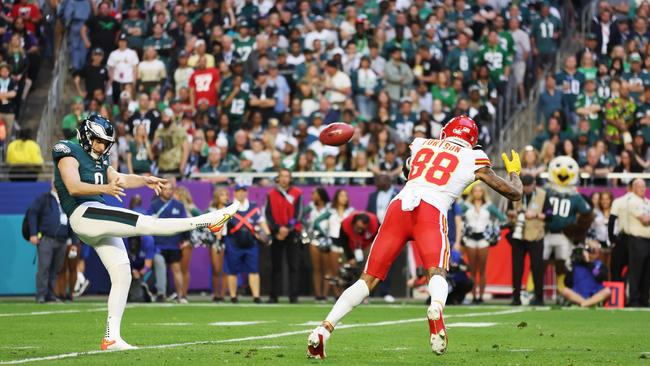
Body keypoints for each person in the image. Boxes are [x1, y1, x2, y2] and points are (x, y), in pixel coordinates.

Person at [307, 115, 523, 358]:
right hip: (430, 210)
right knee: (437, 272)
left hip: (399, 207)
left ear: (446, 131)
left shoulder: (423, 144)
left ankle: (323, 331)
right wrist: (515, 173)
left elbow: (406, 169)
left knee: (366, 280)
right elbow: (513, 194)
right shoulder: (474, 157)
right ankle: (436, 308)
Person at [52, 114, 238, 350]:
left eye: (105, 142)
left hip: (95, 216)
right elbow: (73, 186)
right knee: (147, 223)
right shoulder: (67, 150)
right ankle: (207, 221)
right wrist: (105, 189)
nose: (101, 146)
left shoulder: (100, 157)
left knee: (122, 274)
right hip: (83, 213)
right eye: (98, 141)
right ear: (87, 135)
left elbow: (118, 178)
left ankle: (112, 337)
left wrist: (144, 180)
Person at [27, 182, 76, 303]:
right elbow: (32, 213)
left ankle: (49, 294)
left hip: (63, 240)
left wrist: (74, 242)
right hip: (46, 239)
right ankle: (41, 295)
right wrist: (33, 233)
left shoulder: (67, 201)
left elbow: (73, 221)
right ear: (52, 184)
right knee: (44, 268)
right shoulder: (44, 198)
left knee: (56, 269)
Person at [224, 184, 271, 303]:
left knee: (254, 270)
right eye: (238, 191)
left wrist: (268, 234)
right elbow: (221, 225)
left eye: (243, 191)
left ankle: (256, 296)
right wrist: (220, 238)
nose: (241, 193)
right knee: (232, 270)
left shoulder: (254, 207)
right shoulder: (228, 207)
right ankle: (233, 296)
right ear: (234, 193)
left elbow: (261, 221)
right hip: (233, 242)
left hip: (251, 242)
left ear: (246, 193)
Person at [461, 183, 507, 304]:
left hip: (483, 240)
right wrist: (463, 228)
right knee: (472, 269)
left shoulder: (489, 206)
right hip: (470, 239)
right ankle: (473, 296)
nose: (477, 193)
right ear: (472, 193)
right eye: (475, 191)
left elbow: (502, 218)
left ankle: (480, 296)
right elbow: (457, 216)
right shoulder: (466, 205)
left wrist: (493, 228)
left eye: (480, 191)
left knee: (482, 270)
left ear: (483, 193)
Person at [507, 175, 547, 306]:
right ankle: (516, 297)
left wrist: (535, 215)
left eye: (529, 187)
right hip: (518, 235)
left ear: (534, 184)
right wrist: (516, 212)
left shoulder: (543, 195)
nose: (527, 189)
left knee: (537, 268)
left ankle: (539, 298)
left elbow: (550, 214)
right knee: (516, 269)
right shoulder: (514, 193)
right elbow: (508, 211)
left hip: (536, 236)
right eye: (525, 187)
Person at [149, 177, 190, 304]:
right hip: (158, 244)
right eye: (165, 189)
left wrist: (186, 239)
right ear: (160, 190)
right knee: (160, 267)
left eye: (170, 189)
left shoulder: (179, 205)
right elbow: (147, 223)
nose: (168, 191)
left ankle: (181, 296)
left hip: (173, 243)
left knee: (176, 269)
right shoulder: (154, 205)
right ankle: (161, 293)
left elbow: (185, 223)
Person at [265, 168, 303, 304]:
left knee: (293, 266)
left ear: (290, 178)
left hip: (292, 232)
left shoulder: (297, 193)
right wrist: (277, 228)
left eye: (287, 176)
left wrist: (287, 228)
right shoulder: (271, 194)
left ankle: (293, 297)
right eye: (282, 176)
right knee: (275, 266)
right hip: (276, 233)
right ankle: (273, 296)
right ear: (278, 178)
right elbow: (267, 214)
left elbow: (298, 213)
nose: (285, 179)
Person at [366, 173, 398, 303]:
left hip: (391, 231)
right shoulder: (373, 196)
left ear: (388, 180)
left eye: (380, 179)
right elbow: (368, 213)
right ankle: (370, 292)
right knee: (372, 261)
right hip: (374, 231)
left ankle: (386, 291)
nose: (377, 182)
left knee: (387, 262)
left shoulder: (397, 194)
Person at [561, 240, 612, 307]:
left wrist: (589, 263)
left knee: (607, 291)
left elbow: (600, 277)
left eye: (595, 250)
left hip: (594, 294)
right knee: (565, 291)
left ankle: (584, 304)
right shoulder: (576, 264)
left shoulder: (599, 265)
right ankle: (587, 303)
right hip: (578, 295)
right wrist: (569, 270)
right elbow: (567, 283)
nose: (591, 252)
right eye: (590, 249)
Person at [174, 186, 202, 303]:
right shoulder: (174, 208)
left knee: (184, 268)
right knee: (176, 268)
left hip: (187, 241)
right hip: (175, 240)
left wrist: (192, 240)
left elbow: (202, 222)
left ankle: (184, 294)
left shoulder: (192, 209)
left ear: (181, 195)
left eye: (175, 194)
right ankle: (179, 293)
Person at [304, 187, 332, 302]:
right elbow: (299, 216)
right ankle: (318, 294)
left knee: (327, 268)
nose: (312, 196)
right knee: (316, 268)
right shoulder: (310, 207)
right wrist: (307, 229)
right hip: (314, 238)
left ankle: (325, 294)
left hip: (327, 239)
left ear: (320, 195)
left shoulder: (330, 208)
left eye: (314, 194)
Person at [625, 179, 650, 307]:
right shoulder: (632, 201)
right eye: (639, 186)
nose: (642, 189)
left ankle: (644, 300)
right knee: (636, 271)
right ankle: (634, 300)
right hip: (637, 240)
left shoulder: (647, 202)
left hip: (648, 241)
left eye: (644, 186)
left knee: (647, 272)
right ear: (633, 188)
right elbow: (645, 220)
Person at [206, 188, 230, 302]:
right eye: (222, 195)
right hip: (214, 240)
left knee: (225, 268)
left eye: (226, 195)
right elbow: (205, 226)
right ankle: (215, 293)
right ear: (217, 197)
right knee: (216, 269)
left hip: (227, 239)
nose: (225, 197)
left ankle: (223, 294)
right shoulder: (211, 210)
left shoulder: (230, 210)